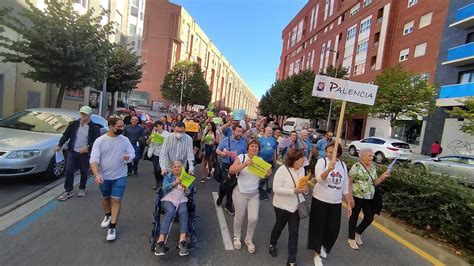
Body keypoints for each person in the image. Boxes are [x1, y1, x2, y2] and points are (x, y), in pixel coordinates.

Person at [90, 117, 136, 241]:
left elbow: (132, 153)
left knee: (116, 200)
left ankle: (112, 227)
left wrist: (129, 157)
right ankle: (107, 215)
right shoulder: (100, 141)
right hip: (104, 176)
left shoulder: (124, 140)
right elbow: (93, 159)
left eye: (123, 127)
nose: (122, 129)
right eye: (119, 127)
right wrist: (96, 174)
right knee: (106, 198)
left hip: (120, 175)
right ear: (111, 126)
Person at [308, 142, 352, 266]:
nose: (328, 154)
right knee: (318, 227)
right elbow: (319, 180)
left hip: (336, 202)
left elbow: (345, 187)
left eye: (331, 152)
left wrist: (348, 204)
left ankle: (324, 246)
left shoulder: (343, 165)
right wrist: (328, 170)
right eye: (327, 152)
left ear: (337, 153)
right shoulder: (322, 162)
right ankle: (316, 254)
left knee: (333, 228)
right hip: (320, 200)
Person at [229, 139, 272, 253]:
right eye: (252, 146)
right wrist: (244, 164)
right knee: (240, 216)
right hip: (240, 193)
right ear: (248, 147)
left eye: (256, 147)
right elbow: (231, 170)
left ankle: (248, 240)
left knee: (253, 218)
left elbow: (263, 176)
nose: (254, 148)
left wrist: (267, 174)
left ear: (259, 149)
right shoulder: (242, 157)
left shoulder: (261, 160)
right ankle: (237, 237)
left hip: (254, 194)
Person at [269, 148, 308, 266]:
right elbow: (276, 189)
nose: (303, 162)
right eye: (301, 160)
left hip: (296, 206)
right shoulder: (282, 170)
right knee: (279, 226)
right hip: (282, 206)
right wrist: (294, 191)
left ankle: (292, 260)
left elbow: (303, 185)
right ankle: (272, 243)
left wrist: (305, 190)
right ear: (293, 160)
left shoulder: (302, 170)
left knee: (294, 233)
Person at [347, 148, 390, 250]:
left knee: (369, 218)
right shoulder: (356, 167)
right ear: (362, 156)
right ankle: (351, 238)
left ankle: (358, 232)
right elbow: (348, 182)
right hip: (357, 196)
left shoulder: (373, 167)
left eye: (372, 155)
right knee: (354, 217)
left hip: (369, 197)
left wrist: (383, 177)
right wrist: (350, 198)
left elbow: (374, 183)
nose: (372, 157)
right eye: (369, 155)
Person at [56, 106, 101, 201]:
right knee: (69, 170)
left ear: (89, 115)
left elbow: (97, 141)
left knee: (84, 171)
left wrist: (88, 147)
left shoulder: (94, 127)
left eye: (85, 114)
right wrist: (60, 145)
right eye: (82, 113)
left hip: (85, 154)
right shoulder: (74, 124)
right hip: (72, 151)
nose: (83, 115)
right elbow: (66, 135)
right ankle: (68, 191)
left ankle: (82, 187)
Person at [154, 160, 192, 257]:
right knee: (170, 211)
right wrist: (175, 183)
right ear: (172, 168)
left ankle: (182, 241)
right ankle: (161, 241)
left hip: (181, 199)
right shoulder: (168, 176)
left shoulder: (186, 177)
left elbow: (190, 191)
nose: (177, 168)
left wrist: (186, 188)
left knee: (183, 211)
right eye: (175, 166)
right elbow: (164, 188)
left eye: (179, 166)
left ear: (182, 168)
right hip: (168, 199)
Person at [216, 125, 247, 215]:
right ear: (233, 131)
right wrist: (222, 154)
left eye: (241, 132)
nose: (239, 133)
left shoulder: (243, 141)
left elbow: (245, 153)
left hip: (237, 166)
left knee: (232, 186)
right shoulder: (226, 140)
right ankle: (221, 196)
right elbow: (218, 150)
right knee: (224, 184)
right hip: (226, 165)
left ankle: (228, 205)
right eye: (238, 131)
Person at [147, 121, 171, 190]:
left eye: (157, 126)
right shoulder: (154, 134)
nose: (156, 128)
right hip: (155, 154)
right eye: (155, 126)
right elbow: (148, 143)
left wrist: (164, 141)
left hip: (163, 155)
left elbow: (170, 143)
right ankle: (158, 183)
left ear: (161, 126)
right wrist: (149, 139)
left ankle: (161, 182)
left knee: (159, 169)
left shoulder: (167, 134)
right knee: (155, 170)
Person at [258, 126, 278, 201]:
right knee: (263, 177)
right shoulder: (260, 139)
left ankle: (265, 189)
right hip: (262, 161)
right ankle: (262, 193)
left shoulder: (273, 140)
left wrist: (275, 158)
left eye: (271, 131)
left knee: (267, 176)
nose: (270, 132)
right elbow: (257, 149)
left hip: (270, 160)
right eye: (268, 130)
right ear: (265, 131)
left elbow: (274, 149)